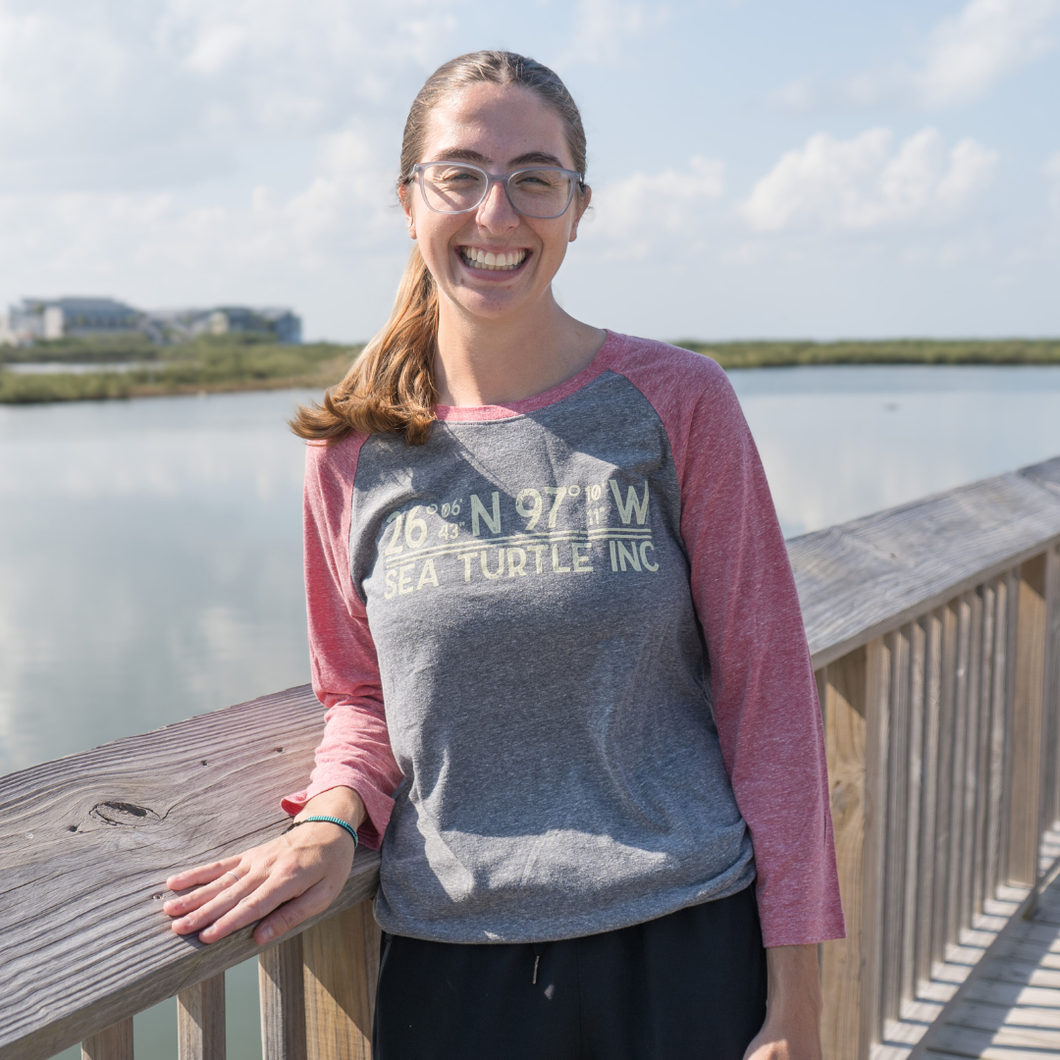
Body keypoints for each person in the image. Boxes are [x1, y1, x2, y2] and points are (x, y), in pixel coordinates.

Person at [164, 50, 844, 1059]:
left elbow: (769, 699)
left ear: (577, 208)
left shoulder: (678, 403)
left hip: (683, 938)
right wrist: (332, 819)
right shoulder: (354, 448)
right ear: (408, 201)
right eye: (461, 174)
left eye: (535, 177)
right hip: (452, 961)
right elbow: (357, 695)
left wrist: (794, 1007)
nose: (496, 213)